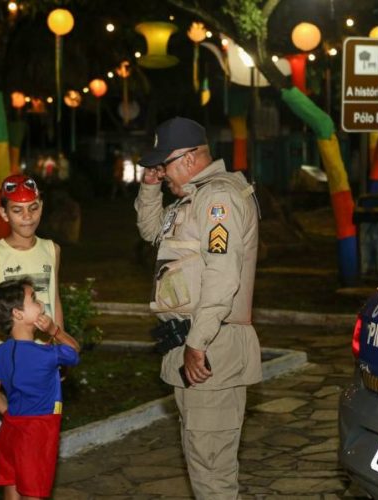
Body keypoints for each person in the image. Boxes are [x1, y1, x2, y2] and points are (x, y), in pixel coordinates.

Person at [134, 116, 262, 499]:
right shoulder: (193, 198)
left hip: (211, 351)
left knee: (212, 472)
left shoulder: (217, 199)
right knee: (202, 462)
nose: (161, 170)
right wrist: (150, 188)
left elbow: (224, 277)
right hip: (197, 348)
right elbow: (151, 231)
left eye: (164, 163)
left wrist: (197, 342)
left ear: (189, 158)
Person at [0, 174, 64, 449]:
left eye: (33, 208)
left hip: (42, 360)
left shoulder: (52, 249)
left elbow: (54, 298)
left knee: (38, 442)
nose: (27, 217)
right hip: (9, 361)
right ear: (4, 213)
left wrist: (59, 345)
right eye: (17, 210)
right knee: (8, 443)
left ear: (41, 206)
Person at [0, 278, 80, 500]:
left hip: (11, 428)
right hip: (39, 429)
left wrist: (11, 415)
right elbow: (73, 351)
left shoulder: (0, 353)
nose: (40, 303)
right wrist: (55, 330)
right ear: (18, 314)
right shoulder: (46, 355)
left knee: (12, 482)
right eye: (33, 299)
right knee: (34, 490)